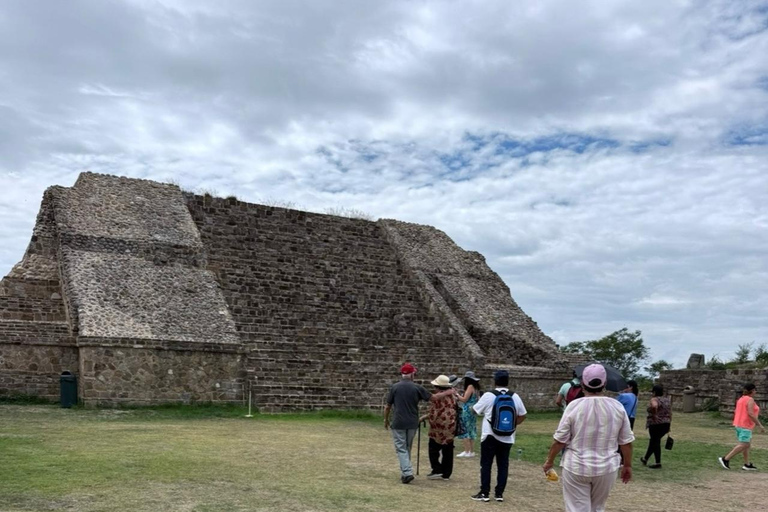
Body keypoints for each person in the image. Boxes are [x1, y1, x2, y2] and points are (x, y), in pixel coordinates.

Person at [543, 364, 634, 512]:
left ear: (583, 384)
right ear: (604, 384)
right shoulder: (617, 407)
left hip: (576, 466)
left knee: (577, 509)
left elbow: (560, 440)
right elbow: (626, 442)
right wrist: (628, 465)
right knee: (597, 508)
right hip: (606, 467)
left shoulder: (574, 406)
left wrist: (549, 462)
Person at [384, 363, 454, 484]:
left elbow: (388, 406)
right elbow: (433, 398)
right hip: (412, 422)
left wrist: (386, 419)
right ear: (411, 374)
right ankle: (405, 472)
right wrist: (447, 392)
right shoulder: (417, 387)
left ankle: (407, 472)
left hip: (398, 422)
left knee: (401, 448)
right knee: (407, 448)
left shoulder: (395, 387)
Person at [470, 370, 527, 502]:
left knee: (486, 464)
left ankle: (484, 493)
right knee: (503, 465)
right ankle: (499, 494)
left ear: (495, 381)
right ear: (508, 381)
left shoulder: (489, 395)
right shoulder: (514, 396)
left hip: (490, 434)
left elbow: (475, 410)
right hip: (507, 436)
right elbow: (523, 414)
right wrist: (511, 425)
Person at [719, 382, 765, 471]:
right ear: (752, 391)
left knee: (746, 445)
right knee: (744, 444)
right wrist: (759, 425)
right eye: (755, 390)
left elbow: (737, 411)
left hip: (739, 424)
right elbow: (751, 413)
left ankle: (747, 464)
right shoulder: (750, 400)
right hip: (745, 425)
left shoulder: (741, 399)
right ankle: (726, 459)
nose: (756, 392)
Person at [421, 374, 458, 480]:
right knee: (448, 449)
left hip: (438, 427)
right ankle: (447, 472)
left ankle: (437, 469)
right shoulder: (453, 395)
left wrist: (427, 418)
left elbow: (435, 412)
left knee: (433, 448)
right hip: (450, 425)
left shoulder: (438, 397)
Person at [640, 384, 671, 469]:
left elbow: (654, 406)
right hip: (666, 423)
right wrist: (669, 424)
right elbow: (670, 412)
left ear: (654, 392)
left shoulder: (654, 399)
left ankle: (658, 462)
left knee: (655, 441)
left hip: (656, 424)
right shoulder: (667, 400)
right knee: (654, 441)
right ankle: (645, 458)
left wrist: (654, 415)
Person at [456, 370, 481, 458]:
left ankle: (467, 451)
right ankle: (471, 451)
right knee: (471, 430)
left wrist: (457, 395)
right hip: (473, 410)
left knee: (465, 430)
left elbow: (464, 399)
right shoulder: (476, 388)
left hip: (467, 410)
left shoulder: (470, 386)